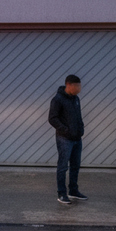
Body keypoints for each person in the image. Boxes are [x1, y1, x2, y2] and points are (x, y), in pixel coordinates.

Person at [48, 75, 88, 204]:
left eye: (80, 86)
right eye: (77, 86)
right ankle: (61, 193)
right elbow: (52, 118)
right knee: (63, 166)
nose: (79, 89)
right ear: (68, 85)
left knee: (75, 166)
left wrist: (81, 129)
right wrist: (65, 130)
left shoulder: (76, 99)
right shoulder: (58, 99)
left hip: (77, 138)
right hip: (64, 139)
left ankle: (73, 191)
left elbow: (79, 116)